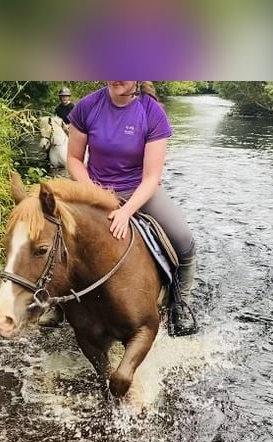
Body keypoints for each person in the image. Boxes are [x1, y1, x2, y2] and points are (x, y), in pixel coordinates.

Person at [39, 81, 198, 336]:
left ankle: (180, 304)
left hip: (139, 191)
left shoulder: (152, 112)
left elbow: (151, 177)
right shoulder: (88, 106)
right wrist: (93, 193)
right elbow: (74, 159)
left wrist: (125, 212)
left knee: (184, 242)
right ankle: (57, 301)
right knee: (54, 233)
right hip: (93, 189)